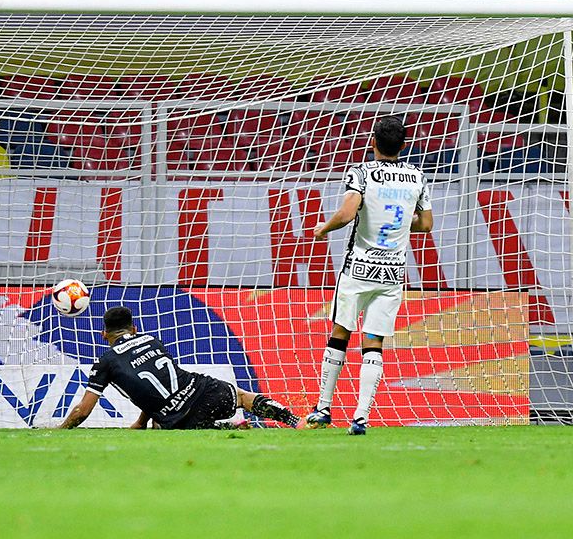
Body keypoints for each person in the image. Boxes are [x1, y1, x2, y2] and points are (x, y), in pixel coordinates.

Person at [304, 116, 433, 435]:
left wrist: (324, 228)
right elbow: (426, 224)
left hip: (358, 269)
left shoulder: (361, 173)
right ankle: (361, 416)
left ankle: (323, 407)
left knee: (340, 332)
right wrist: (404, 226)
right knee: (373, 341)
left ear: (373, 142)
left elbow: (348, 213)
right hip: (392, 273)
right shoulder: (416, 176)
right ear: (403, 145)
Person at [59, 306, 300, 430]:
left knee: (163, 425)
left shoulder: (106, 362)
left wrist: (59, 430)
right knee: (242, 397)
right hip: (203, 390)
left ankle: (222, 427)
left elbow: (83, 411)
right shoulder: (152, 340)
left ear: (103, 334)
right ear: (133, 329)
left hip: (176, 419)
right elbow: (162, 378)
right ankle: (295, 421)